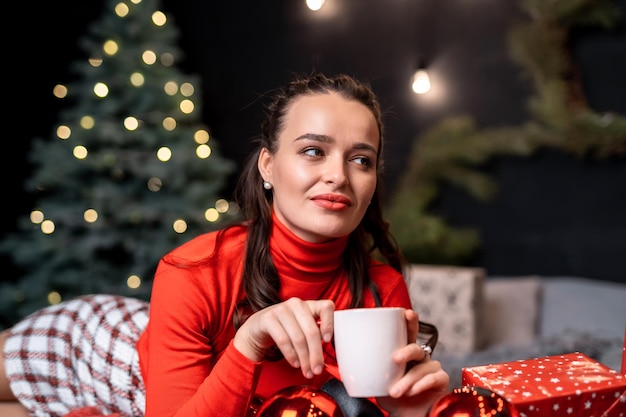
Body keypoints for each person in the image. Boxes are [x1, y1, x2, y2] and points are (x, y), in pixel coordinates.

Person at [0, 72, 450, 417]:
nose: (338, 175)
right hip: (99, 347)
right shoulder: (193, 270)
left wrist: (408, 412)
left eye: (360, 159)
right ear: (268, 167)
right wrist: (248, 344)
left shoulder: (381, 293)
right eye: (314, 150)